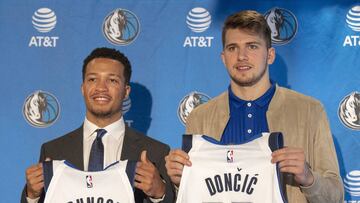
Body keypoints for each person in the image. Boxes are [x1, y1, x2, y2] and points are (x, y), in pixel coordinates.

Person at [165, 10, 343, 203]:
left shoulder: (310, 111)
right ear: (224, 58)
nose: (242, 56)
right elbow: (192, 193)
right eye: (233, 48)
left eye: (252, 46)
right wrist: (178, 180)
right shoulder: (200, 117)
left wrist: (308, 178)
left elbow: (336, 197)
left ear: (270, 55)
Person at [22, 47, 174, 203]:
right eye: (93, 79)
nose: (101, 88)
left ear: (126, 91)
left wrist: (159, 193)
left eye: (112, 80)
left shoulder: (156, 152)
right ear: (83, 88)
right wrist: (32, 195)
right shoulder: (53, 150)